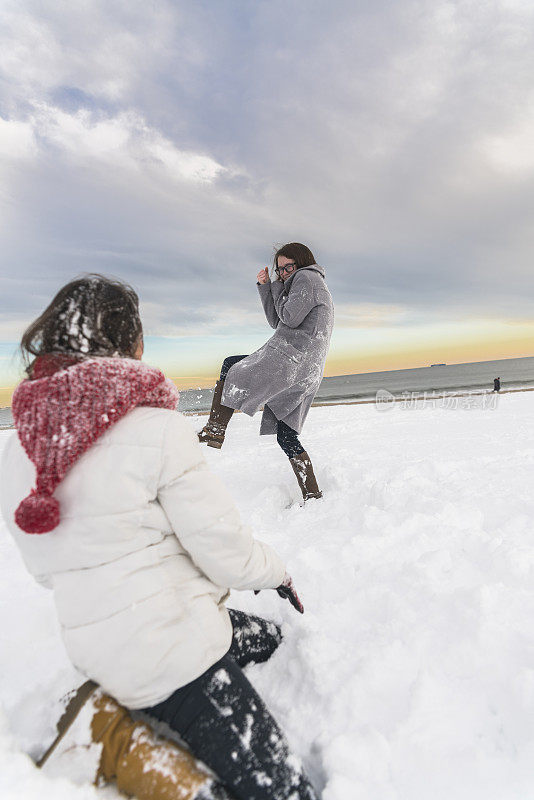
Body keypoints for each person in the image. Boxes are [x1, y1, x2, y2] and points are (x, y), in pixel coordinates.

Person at [0, 275, 318, 800]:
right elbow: (227, 556)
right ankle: (117, 739)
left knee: (265, 638)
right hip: (177, 661)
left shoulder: (17, 454)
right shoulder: (156, 429)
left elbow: (43, 569)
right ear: (130, 343)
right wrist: (276, 571)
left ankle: (114, 713)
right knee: (285, 792)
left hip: (97, 653)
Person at [198, 243, 334, 502]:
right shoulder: (305, 282)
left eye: (288, 267)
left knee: (231, 366)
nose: (283, 273)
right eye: (280, 269)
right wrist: (266, 287)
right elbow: (277, 320)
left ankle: (215, 429)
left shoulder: (307, 278)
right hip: (306, 369)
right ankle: (313, 494)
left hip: (290, 360)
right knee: (286, 435)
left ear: (302, 263)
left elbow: (289, 318)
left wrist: (277, 287)